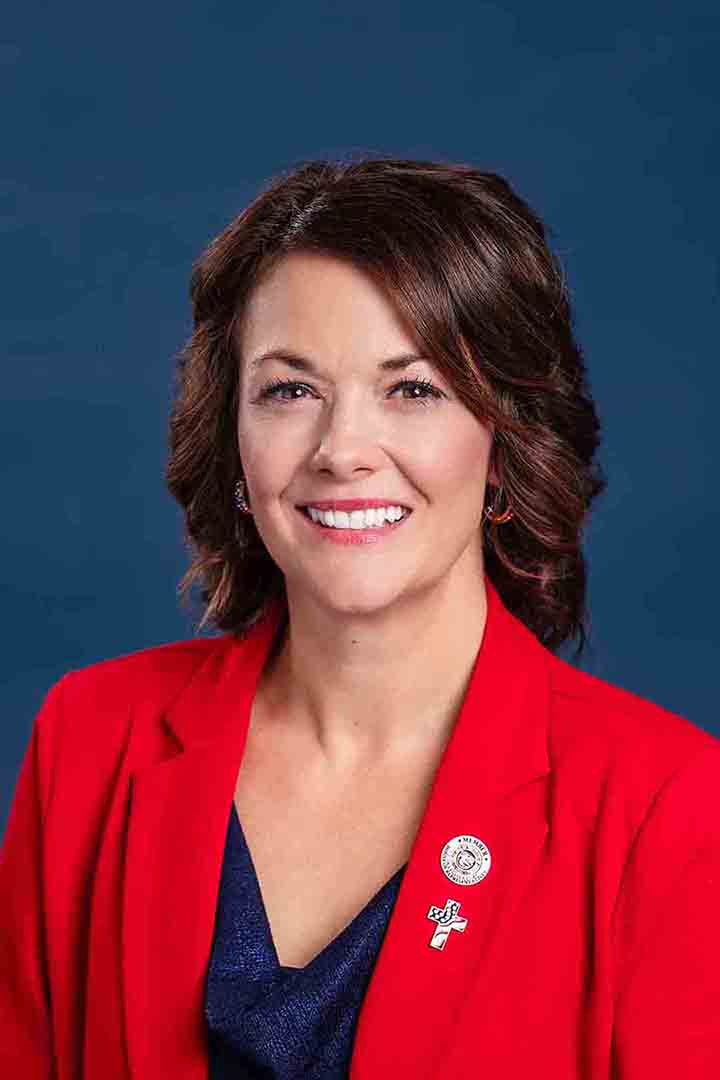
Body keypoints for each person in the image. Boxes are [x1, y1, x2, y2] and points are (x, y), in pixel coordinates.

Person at [1, 156, 719, 1079]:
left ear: (505, 438)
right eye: (290, 390)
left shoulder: (666, 807)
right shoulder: (92, 738)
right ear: (231, 435)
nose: (342, 451)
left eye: (412, 389)